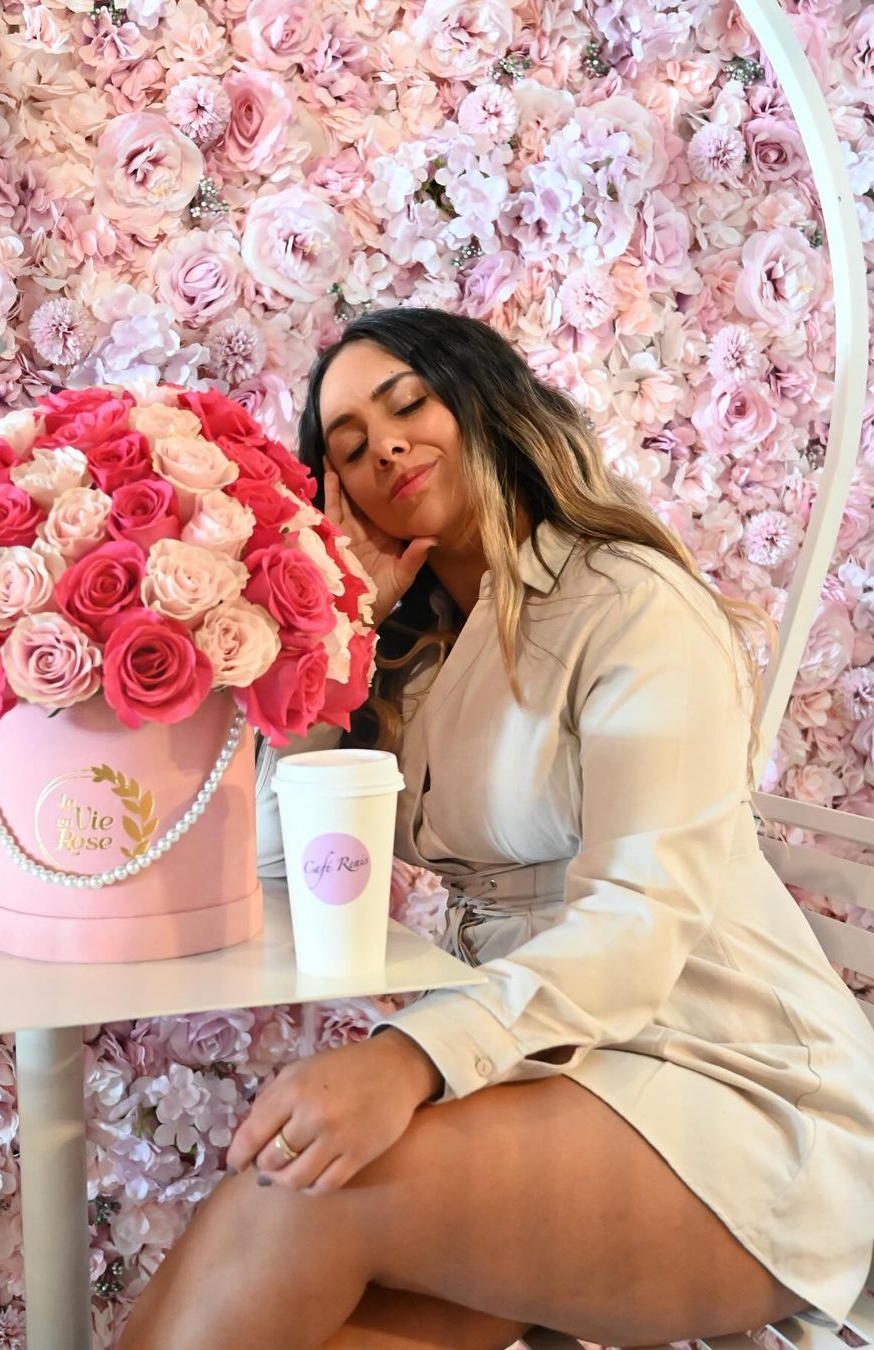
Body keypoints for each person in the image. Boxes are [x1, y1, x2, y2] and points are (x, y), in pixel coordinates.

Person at [118, 308, 874, 1350]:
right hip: (546, 1070)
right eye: (346, 447)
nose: (383, 447)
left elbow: (639, 920)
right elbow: (283, 873)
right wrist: (343, 630)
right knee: (290, 1299)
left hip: (724, 1084)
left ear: (486, 404)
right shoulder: (419, 655)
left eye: (407, 405)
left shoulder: (630, 605)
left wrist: (409, 1059)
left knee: (294, 1196)